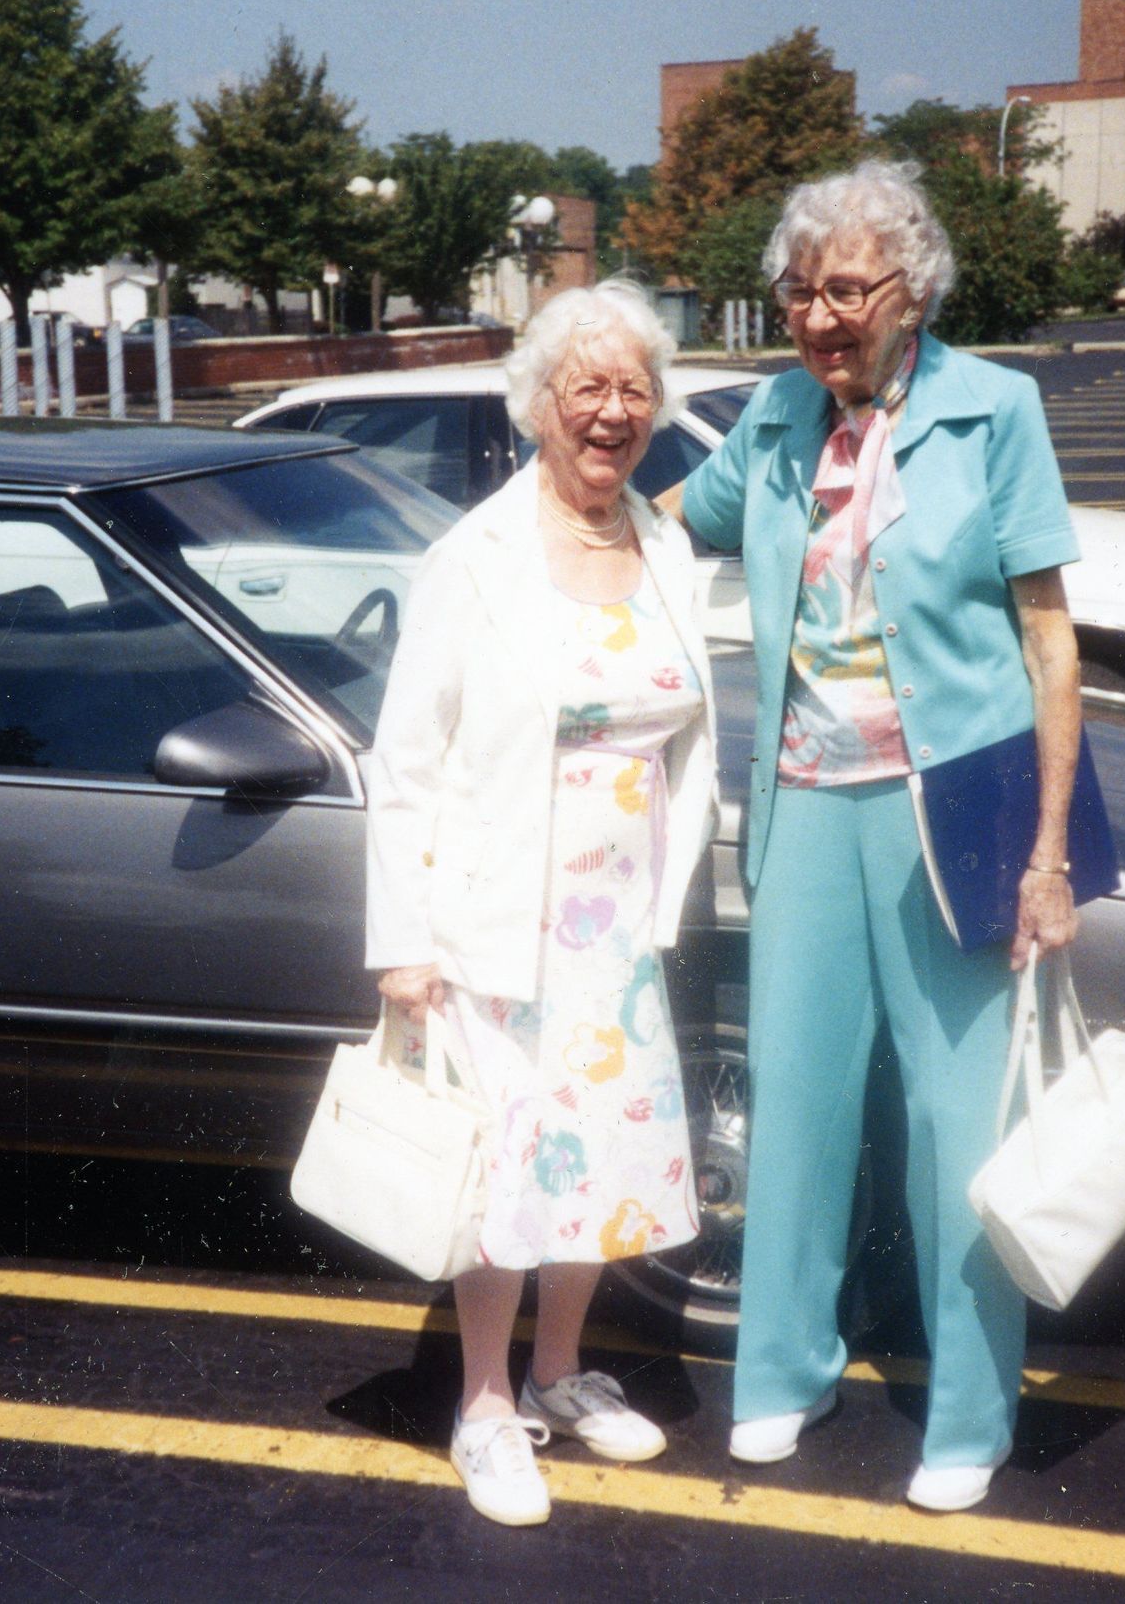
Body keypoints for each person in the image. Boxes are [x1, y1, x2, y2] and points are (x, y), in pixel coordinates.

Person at [662, 158, 1083, 1512]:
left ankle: (969, 1416)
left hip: (953, 814)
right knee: (794, 1102)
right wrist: (550, 520)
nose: (820, 317)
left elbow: (1050, 642)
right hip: (801, 804)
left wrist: (1048, 855)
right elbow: (670, 529)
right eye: (800, 292)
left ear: (914, 291)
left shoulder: (995, 410)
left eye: (847, 290)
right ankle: (782, 1372)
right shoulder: (776, 414)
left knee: (958, 1124)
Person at [363, 278, 720, 1528]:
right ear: (537, 406)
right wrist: (405, 942)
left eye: (635, 390)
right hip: (498, 918)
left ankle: (559, 1372)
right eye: (588, 389)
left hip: (620, 920)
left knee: (598, 1153)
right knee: (505, 1169)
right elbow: (406, 760)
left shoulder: (663, 546)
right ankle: (481, 1405)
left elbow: (688, 730)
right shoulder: (474, 560)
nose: (613, 413)